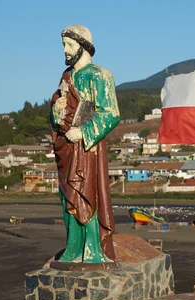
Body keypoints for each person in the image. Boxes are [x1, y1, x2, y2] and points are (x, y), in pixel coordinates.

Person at [50, 24, 120, 263]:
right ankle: (73, 246)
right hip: (67, 147)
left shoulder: (99, 75)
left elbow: (110, 113)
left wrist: (84, 132)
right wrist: (56, 112)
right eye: (63, 46)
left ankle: (91, 248)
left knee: (86, 190)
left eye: (69, 45)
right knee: (68, 193)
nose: (65, 51)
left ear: (83, 45)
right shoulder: (66, 77)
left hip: (87, 147)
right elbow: (58, 108)